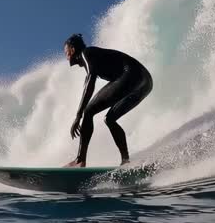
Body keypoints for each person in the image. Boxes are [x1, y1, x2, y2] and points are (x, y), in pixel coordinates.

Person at [62, 33, 153, 167]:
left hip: (132, 74)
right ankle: (125, 162)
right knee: (109, 119)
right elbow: (88, 83)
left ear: (73, 50)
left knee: (88, 111)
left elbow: (90, 83)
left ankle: (80, 160)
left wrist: (78, 115)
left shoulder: (86, 53)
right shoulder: (91, 60)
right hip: (145, 82)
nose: (66, 55)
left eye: (66, 52)